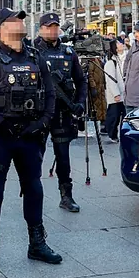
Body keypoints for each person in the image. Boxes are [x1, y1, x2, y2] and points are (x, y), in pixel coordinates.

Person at [0, 8, 62, 273]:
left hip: (30, 135)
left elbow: (50, 94)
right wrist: (0, 123)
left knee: (33, 188)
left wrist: (43, 122)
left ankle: (37, 244)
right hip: (1, 136)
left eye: (21, 19)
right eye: (14, 20)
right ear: (0, 29)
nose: (20, 23)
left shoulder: (36, 57)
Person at [33, 13, 86, 213]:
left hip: (63, 114)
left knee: (63, 157)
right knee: (35, 157)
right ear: (41, 29)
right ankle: (32, 194)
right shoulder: (32, 51)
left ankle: (66, 196)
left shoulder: (68, 52)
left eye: (55, 27)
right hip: (39, 114)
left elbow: (81, 80)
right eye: (48, 27)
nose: (53, 30)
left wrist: (80, 102)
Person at [102, 38, 126, 142]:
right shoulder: (111, 63)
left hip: (125, 94)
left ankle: (122, 134)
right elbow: (110, 80)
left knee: (124, 116)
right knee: (114, 116)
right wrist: (116, 94)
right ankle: (112, 134)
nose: (121, 44)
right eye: (119, 43)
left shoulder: (124, 58)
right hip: (115, 95)